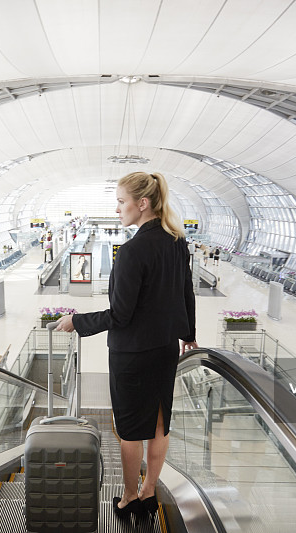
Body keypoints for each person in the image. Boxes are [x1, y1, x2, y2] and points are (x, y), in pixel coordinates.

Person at [56, 171, 198, 521]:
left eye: (121, 202)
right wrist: (189, 335)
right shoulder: (176, 241)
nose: (118, 208)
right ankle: (150, 491)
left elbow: (120, 315)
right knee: (160, 423)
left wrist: (78, 321)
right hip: (165, 347)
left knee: (131, 431)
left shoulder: (133, 251)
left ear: (142, 203)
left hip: (132, 355)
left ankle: (129, 498)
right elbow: (186, 291)